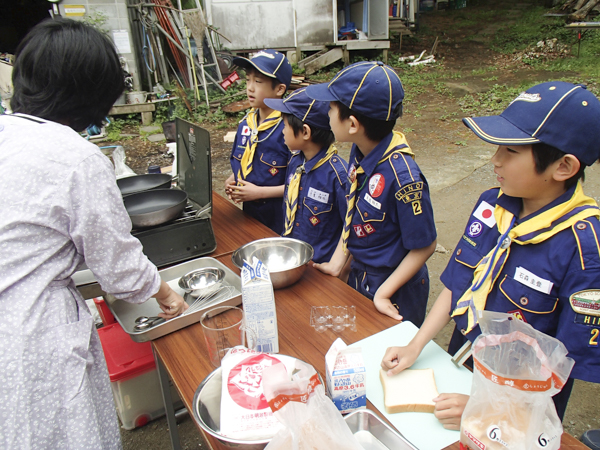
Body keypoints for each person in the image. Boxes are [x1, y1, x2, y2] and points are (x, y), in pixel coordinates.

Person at [0, 19, 187, 449]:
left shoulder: (9, 131)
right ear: (88, 93)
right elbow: (118, 267)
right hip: (32, 337)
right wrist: (164, 292)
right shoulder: (75, 157)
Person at [381, 81, 600, 429]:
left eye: (511, 152)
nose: (495, 159)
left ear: (563, 167)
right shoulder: (492, 204)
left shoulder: (584, 250)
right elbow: (458, 283)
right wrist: (416, 343)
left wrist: (488, 406)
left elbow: (564, 364)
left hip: (519, 407)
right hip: (465, 361)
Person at [306, 61, 437, 325]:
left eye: (331, 108)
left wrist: (383, 294)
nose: (326, 112)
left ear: (353, 124)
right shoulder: (360, 152)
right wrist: (338, 262)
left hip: (395, 289)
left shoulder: (404, 180)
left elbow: (425, 245)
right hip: (361, 275)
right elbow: (355, 214)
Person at [263, 88, 349, 263]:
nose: (282, 131)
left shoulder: (338, 176)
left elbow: (351, 226)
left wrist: (339, 269)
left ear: (305, 132)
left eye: (285, 125)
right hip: (290, 257)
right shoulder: (295, 162)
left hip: (319, 267)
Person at [224, 49, 293, 234]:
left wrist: (260, 193)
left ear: (279, 89)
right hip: (251, 213)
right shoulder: (246, 124)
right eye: (248, 80)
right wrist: (234, 179)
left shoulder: (289, 130)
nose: (250, 88)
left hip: (280, 217)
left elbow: (300, 184)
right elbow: (244, 163)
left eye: (258, 81)